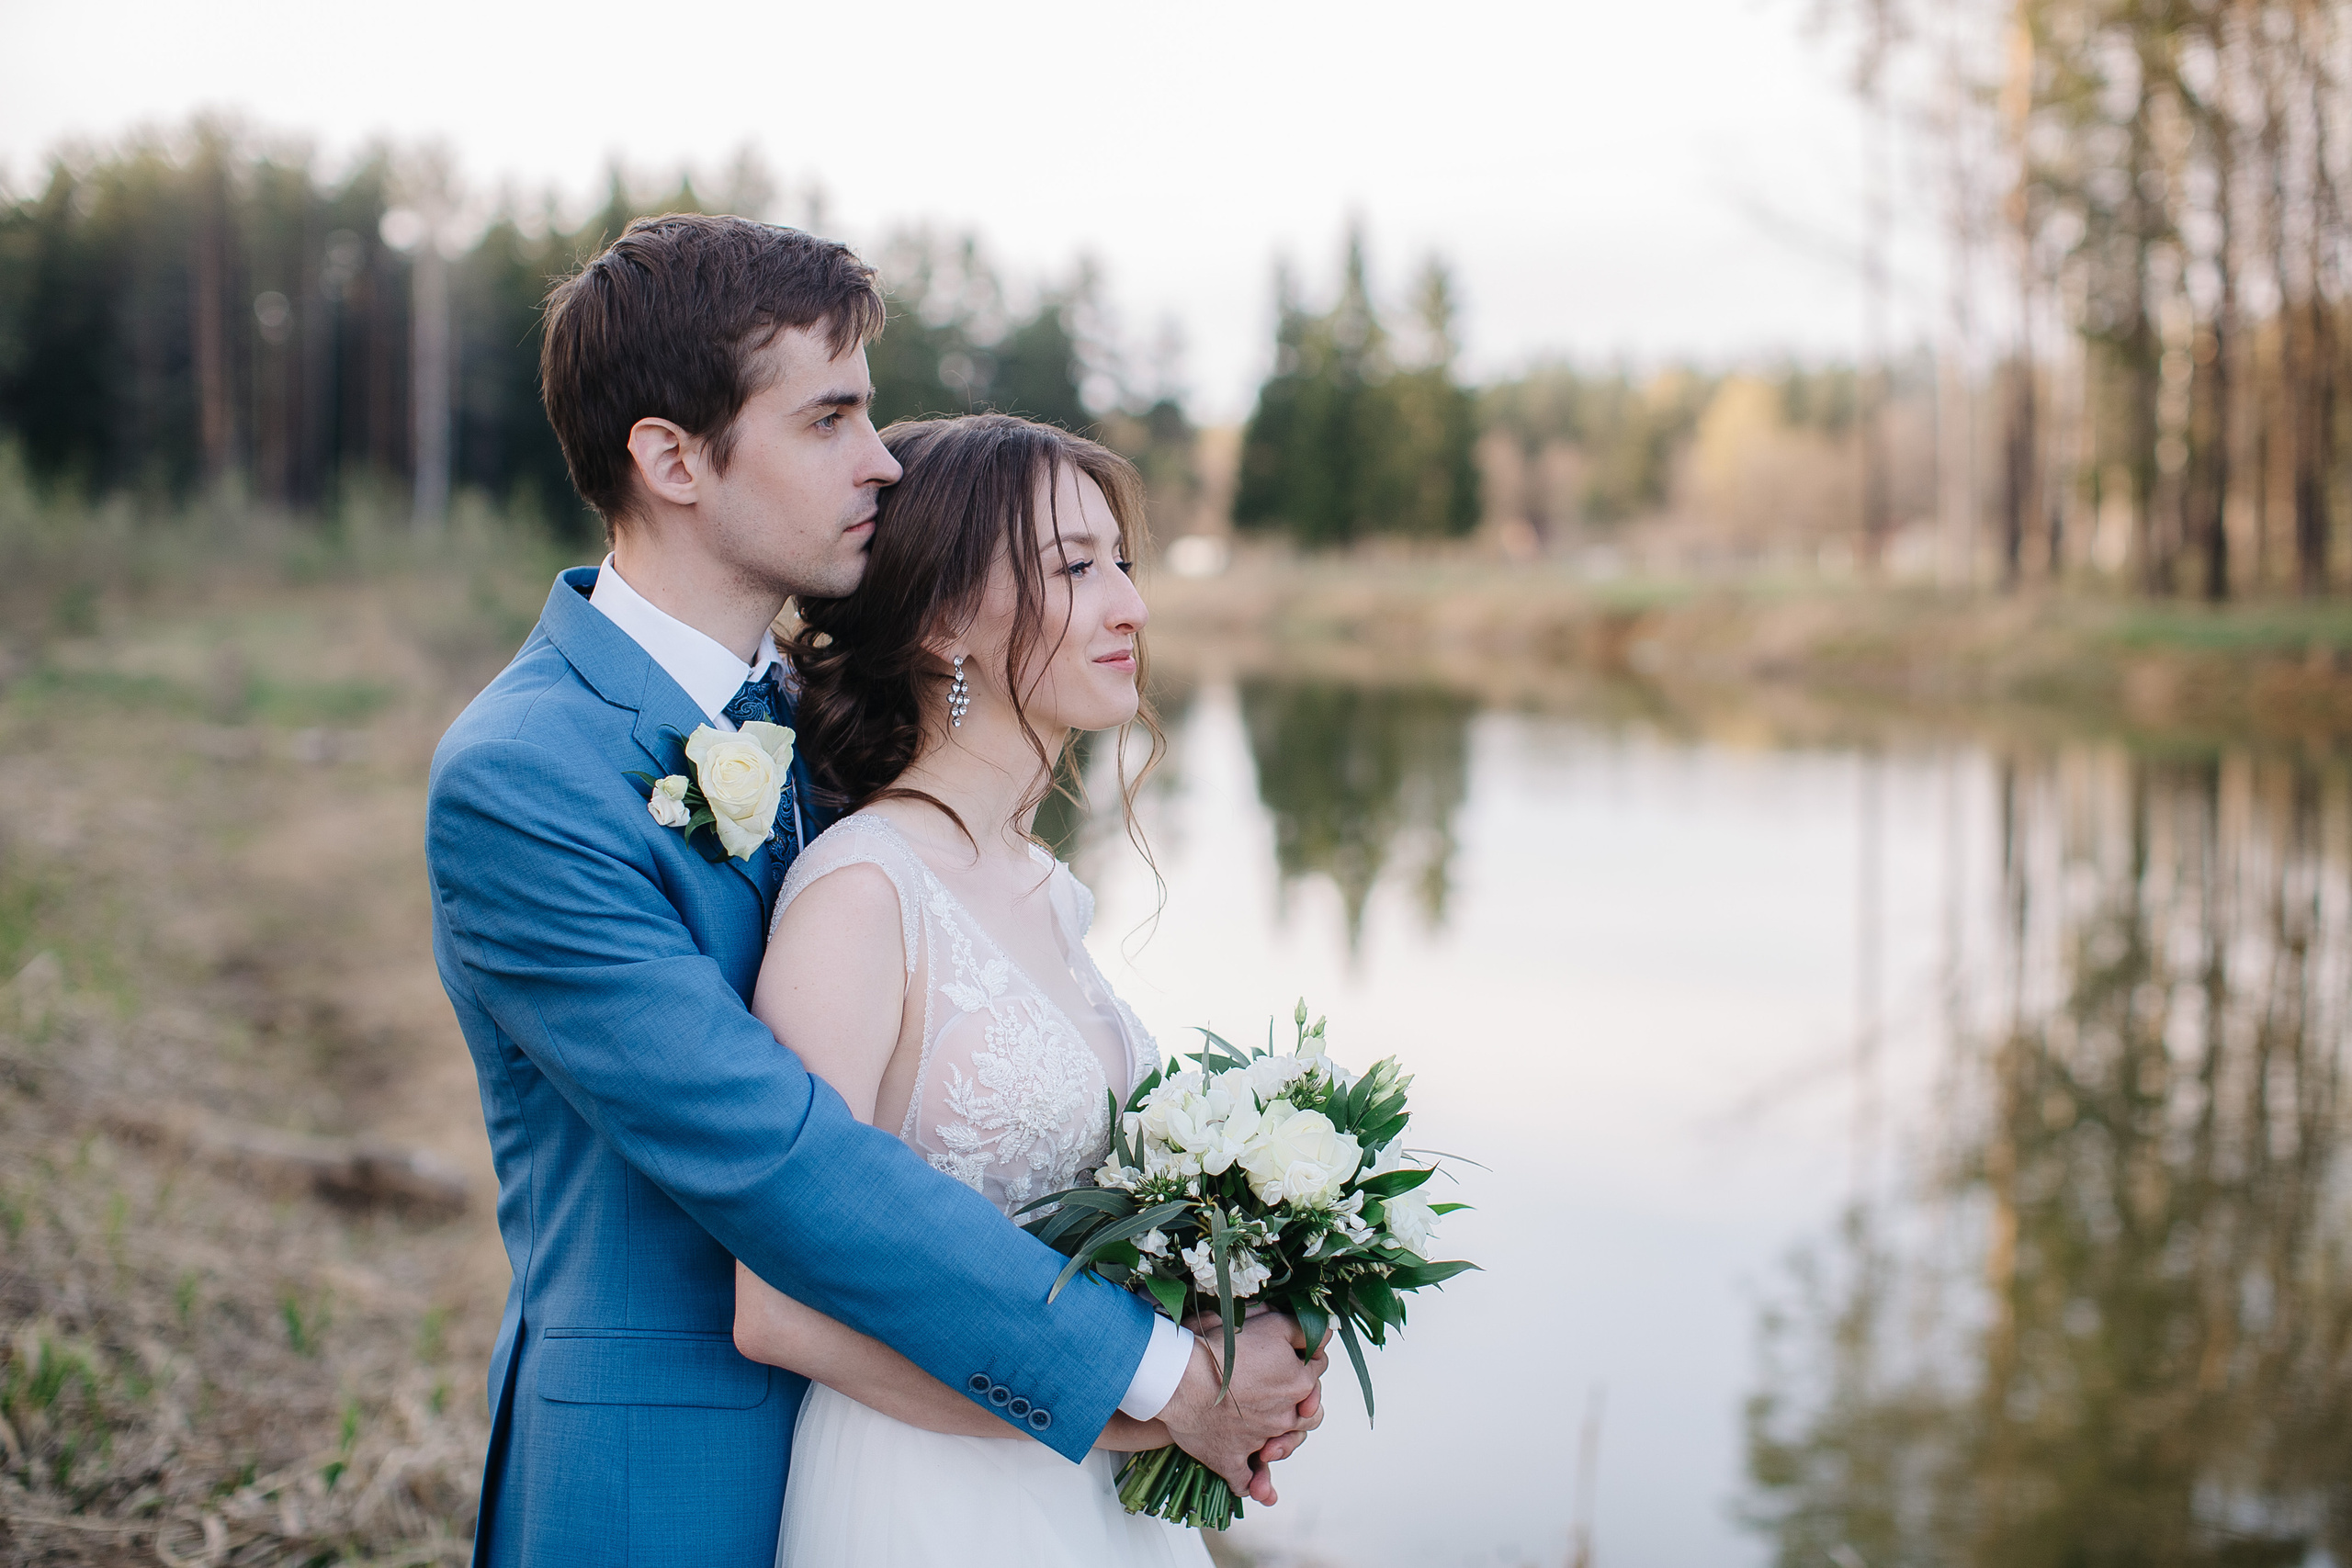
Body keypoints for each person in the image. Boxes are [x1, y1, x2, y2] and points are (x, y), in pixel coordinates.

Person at [424, 215, 1323, 1568]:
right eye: (831, 417)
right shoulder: (521, 778)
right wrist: (1157, 1375)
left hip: (927, 1440)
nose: (882, 457)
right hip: (667, 1479)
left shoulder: (817, 730)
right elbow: (778, 1150)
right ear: (671, 458)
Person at [729, 412, 1264, 1564]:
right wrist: (1135, 1411)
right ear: (940, 623)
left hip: (1078, 1497)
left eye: (1121, 561)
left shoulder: (1040, 886)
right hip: (925, 1502)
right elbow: (780, 1307)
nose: (1128, 603)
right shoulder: (861, 895)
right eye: (1074, 567)